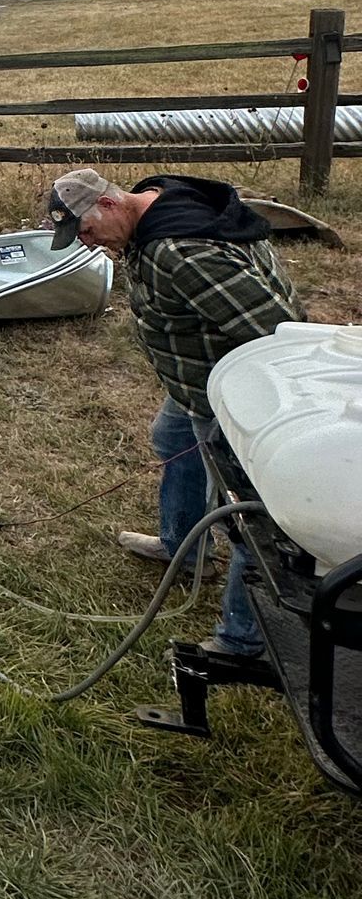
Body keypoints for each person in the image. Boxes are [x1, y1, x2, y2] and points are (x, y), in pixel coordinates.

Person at [45, 168, 303, 661]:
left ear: (110, 205)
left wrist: (261, 411)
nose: (87, 242)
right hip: (195, 388)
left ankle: (242, 642)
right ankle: (185, 547)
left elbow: (277, 330)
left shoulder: (179, 252)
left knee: (251, 518)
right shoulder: (155, 203)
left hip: (235, 395)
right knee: (171, 438)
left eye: (87, 230)